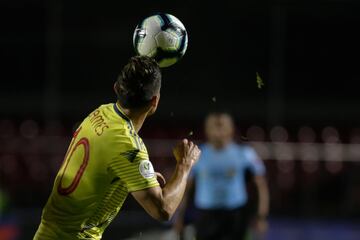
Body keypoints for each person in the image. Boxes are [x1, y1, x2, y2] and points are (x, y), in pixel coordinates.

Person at [34, 56, 201, 240]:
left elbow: (100, 163)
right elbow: (164, 210)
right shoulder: (129, 147)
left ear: (116, 88)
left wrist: (136, 178)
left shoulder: (100, 112)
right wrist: (185, 165)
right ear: (155, 101)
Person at [174, 112, 269, 240]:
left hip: (235, 215)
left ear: (231, 129)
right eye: (214, 126)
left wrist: (261, 216)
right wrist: (180, 217)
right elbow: (186, 189)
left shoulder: (244, 153)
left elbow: (261, 185)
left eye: (222, 126)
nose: (218, 131)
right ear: (207, 129)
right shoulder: (196, 155)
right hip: (206, 215)